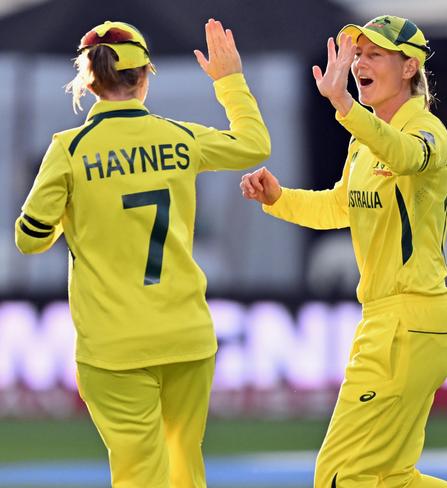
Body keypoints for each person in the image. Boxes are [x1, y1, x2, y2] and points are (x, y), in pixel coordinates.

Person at [240, 14, 447, 488]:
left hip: (410, 320)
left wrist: (345, 105)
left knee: (339, 477)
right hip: (390, 323)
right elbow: (339, 206)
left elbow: (407, 157)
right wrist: (278, 198)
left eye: (375, 55)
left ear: (410, 67)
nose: (359, 64)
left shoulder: (429, 131)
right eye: (358, 54)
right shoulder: (364, 142)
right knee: (390, 477)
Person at [15, 19, 270, 487]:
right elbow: (256, 145)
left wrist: (72, 222)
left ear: (88, 80)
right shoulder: (182, 138)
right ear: (144, 75)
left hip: (113, 348)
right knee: (183, 473)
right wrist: (230, 81)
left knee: (139, 477)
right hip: (186, 338)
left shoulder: (68, 150)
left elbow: (29, 238)